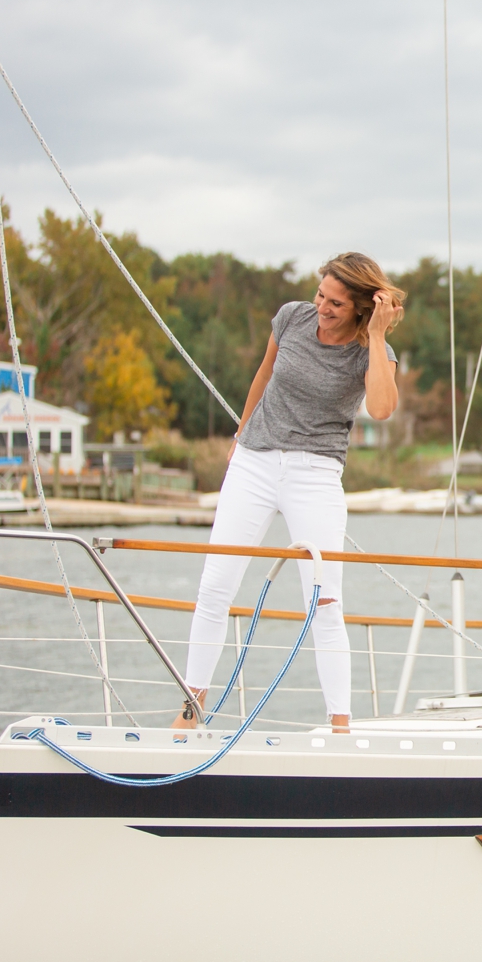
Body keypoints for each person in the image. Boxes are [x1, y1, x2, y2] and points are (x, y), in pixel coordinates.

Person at [172, 253, 404, 733]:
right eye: (321, 295)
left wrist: (378, 335)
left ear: (362, 307)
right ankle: (190, 711)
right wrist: (240, 435)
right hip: (254, 461)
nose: (322, 306)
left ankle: (340, 724)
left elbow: (382, 409)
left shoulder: (370, 351)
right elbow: (264, 373)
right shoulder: (292, 316)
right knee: (215, 585)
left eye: (336, 303)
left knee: (324, 600)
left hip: (314, 473)